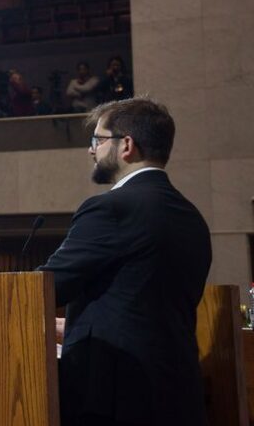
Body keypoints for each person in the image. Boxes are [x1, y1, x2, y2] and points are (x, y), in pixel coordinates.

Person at [38, 97, 210, 426]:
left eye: (98, 140)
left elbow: (47, 287)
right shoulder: (192, 217)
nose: (91, 150)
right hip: (178, 394)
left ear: (126, 145)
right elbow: (142, 305)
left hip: (117, 399)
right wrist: (72, 326)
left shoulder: (112, 208)